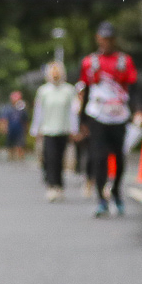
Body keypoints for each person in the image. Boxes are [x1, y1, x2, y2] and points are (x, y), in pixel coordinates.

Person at [78, 22, 139, 217]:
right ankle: (101, 200)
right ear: (98, 39)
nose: (106, 42)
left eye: (110, 39)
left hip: (119, 116)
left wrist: (138, 110)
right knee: (99, 157)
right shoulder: (90, 62)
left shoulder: (124, 61)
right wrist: (82, 121)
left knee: (119, 157)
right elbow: (86, 91)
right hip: (97, 115)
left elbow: (134, 88)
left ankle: (116, 192)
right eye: (103, 38)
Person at [30, 63, 80, 200]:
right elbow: (39, 111)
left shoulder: (69, 90)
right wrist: (36, 129)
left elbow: (73, 111)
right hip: (48, 130)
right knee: (50, 158)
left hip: (63, 129)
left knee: (59, 159)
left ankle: (59, 185)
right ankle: (51, 185)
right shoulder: (43, 91)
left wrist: (74, 129)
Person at [4, 88, 29, 161]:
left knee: (20, 145)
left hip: (20, 130)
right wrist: (4, 127)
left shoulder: (22, 108)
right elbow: (4, 119)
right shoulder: (8, 108)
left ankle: (21, 159)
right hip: (10, 129)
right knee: (10, 146)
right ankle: (11, 158)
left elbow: (25, 120)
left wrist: (26, 129)